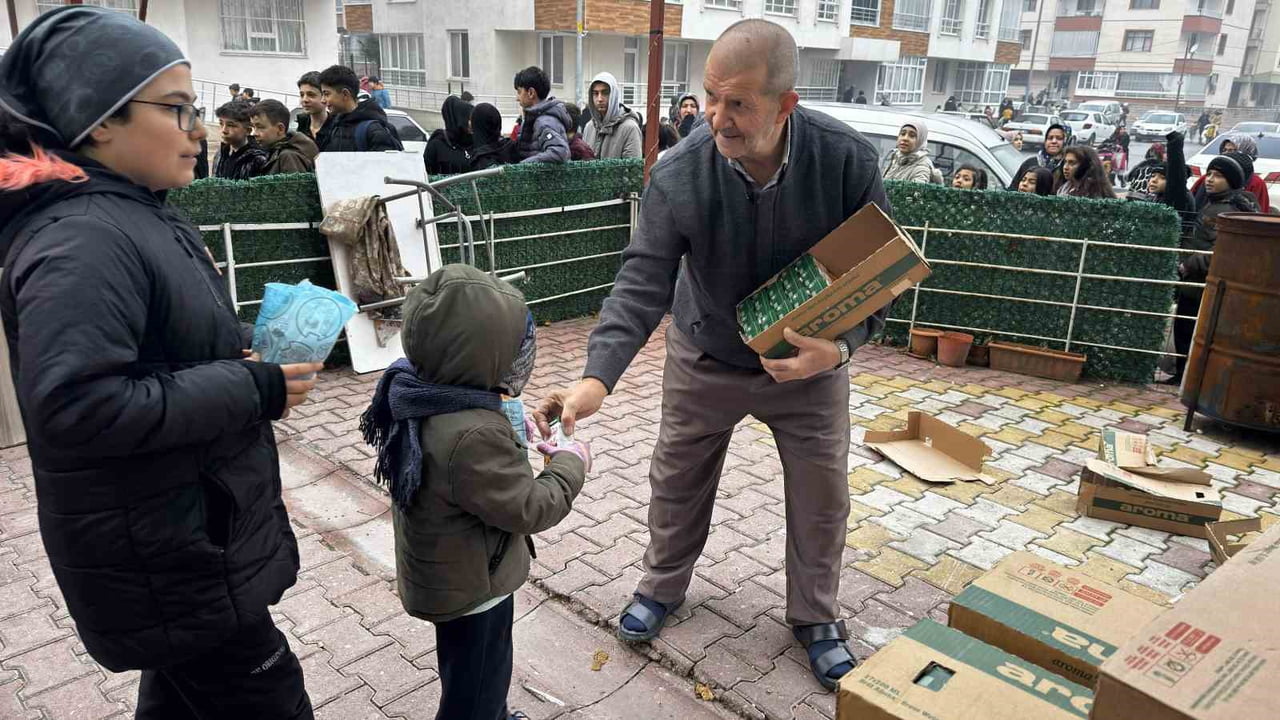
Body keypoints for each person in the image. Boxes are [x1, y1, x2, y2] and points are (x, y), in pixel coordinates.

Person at [531, 18, 887, 693]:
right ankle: (661, 587)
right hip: (705, 353)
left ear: (786, 105)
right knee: (677, 479)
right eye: (711, 97)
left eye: (739, 103)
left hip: (807, 368)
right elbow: (642, 279)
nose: (717, 118)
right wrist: (595, 380)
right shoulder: (680, 171)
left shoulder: (846, 162)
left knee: (823, 497)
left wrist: (840, 348)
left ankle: (816, 616)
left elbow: (879, 271)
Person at [0, 6, 321, 717]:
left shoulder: (133, 210)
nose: (198, 130)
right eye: (176, 110)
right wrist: (251, 385)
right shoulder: (82, 236)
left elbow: (161, 345)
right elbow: (78, 406)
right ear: (97, 121)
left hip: (180, 538)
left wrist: (238, 346)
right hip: (169, 553)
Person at [360, 265, 588, 720]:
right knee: (479, 685)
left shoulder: (419, 389)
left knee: (470, 672)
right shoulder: (472, 433)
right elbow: (529, 507)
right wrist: (571, 461)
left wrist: (509, 428)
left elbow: (462, 464)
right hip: (476, 586)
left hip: (447, 573)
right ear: (479, 357)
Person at [1169, 153, 1260, 384]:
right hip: (1194, 283)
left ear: (1231, 181)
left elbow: (1225, 249)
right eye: (1209, 174)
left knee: (1192, 330)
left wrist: (1189, 264)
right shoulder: (1213, 203)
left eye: (1217, 176)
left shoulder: (1230, 210)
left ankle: (1188, 378)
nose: (1209, 179)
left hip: (1205, 283)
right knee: (1184, 329)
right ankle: (1182, 375)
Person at [316, 64, 403, 152]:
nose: (323, 100)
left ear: (345, 94)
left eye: (326, 94)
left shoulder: (374, 131)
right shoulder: (333, 125)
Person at [1190, 134, 1270, 213]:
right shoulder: (1207, 177)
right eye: (1224, 150)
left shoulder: (1256, 183)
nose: (1226, 154)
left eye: (1232, 150)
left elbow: (1260, 216)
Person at [512, 66, 571, 164]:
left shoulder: (544, 122)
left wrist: (522, 166)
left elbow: (559, 152)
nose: (517, 98)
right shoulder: (536, 118)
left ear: (531, 93)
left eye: (519, 92)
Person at [582, 71, 643, 160]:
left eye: (605, 93)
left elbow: (633, 166)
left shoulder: (630, 128)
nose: (599, 99)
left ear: (614, 95)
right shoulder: (589, 127)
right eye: (595, 93)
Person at [250, 99, 318, 175]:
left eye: (260, 127)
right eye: (253, 127)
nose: (254, 133)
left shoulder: (289, 157)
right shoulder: (274, 152)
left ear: (280, 129)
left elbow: (295, 182)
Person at [212, 100, 268, 180]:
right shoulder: (221, 153)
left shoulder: (257, 159)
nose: (224, 130)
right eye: (221, 123)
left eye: (231, 125)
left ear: (248, 130)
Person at [424, 95, 474, 175]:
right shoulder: (437, 144)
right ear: (458, 119)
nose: (472, 123)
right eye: (469, 119)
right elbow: (428, 174)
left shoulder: (476, 142)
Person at [469, 103, 518, 171]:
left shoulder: (482, 160)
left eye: (471, 121)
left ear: (477, 126)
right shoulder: (511, 148)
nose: (469, 124)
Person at [296, 71, 331, 142]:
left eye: (311, 95)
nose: (304, 100)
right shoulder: (300, 128)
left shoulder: (337, 128)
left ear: (324, 96)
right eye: (302, 95)